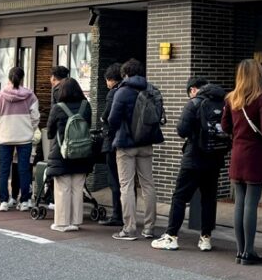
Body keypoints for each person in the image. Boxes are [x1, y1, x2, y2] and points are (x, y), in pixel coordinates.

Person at [152, 77, 229, 252]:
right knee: (209, 199)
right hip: (215, 158)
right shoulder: (223, 103)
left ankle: (171, 236)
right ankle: (206, 238)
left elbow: (182, 130)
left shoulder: (194, 103)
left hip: (194, 158)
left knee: (179, 197)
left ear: (194, 89)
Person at [221, 59, 262, 266]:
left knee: (240, 203)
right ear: (256, 74)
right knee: (251, 203)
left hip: (237, 153)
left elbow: (225, 126)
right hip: (255, 154)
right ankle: (249, 251)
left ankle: (239, 250)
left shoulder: (231, 98)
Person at [107, 59, 163, 241]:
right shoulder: (151, 89)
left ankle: (129, 229)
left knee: (127, 186)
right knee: (148, 184)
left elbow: (113, 119)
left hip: (126, 144)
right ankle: (149, 228)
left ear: (126, 74)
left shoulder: (122, 91)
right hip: (146, 143)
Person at [46, 77, 93, 232]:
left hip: (62, 153)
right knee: (77, 188)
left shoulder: (58, 108)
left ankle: (62, 223)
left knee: (63, 188)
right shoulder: (86, 106)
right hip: (83, 152)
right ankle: (75, 221)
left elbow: (50, 132)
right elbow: (88, 126)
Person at [0, 66, 40, 212]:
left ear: (8, 78)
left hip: (5, 137)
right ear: (22, 78)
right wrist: (29, 128)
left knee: (4, 170)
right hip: (24, 138)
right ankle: (24, 201)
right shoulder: (30, 96)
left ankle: (4, 201)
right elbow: (35, 117)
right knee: (24, 170)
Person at [98, 63, 124, 227]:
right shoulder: (132, 92)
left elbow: (106, 117)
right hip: (130, 141)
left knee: (114, 179)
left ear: (110, 80)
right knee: (127, 181)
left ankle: (117, 215)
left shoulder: (113, 93)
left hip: (113, 141)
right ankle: (127, 213)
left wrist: (103, 120)